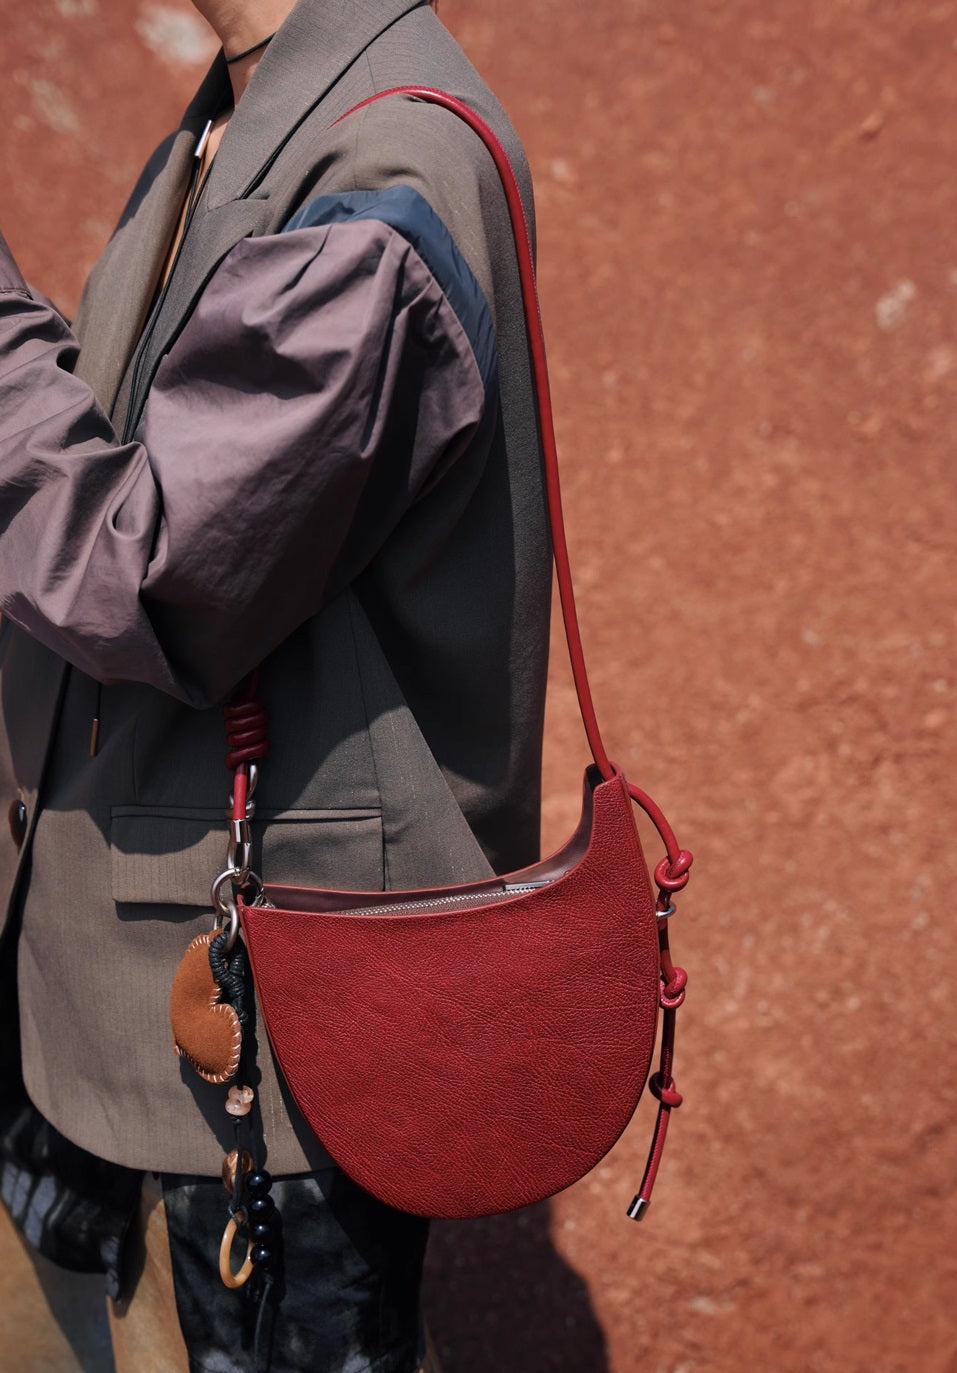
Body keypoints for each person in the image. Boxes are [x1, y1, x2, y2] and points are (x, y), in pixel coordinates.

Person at [0, 0, 551, 1368]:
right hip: (123, 996)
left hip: (261, 1065)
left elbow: (154, 570)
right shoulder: (255, 105)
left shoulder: (386, 172)